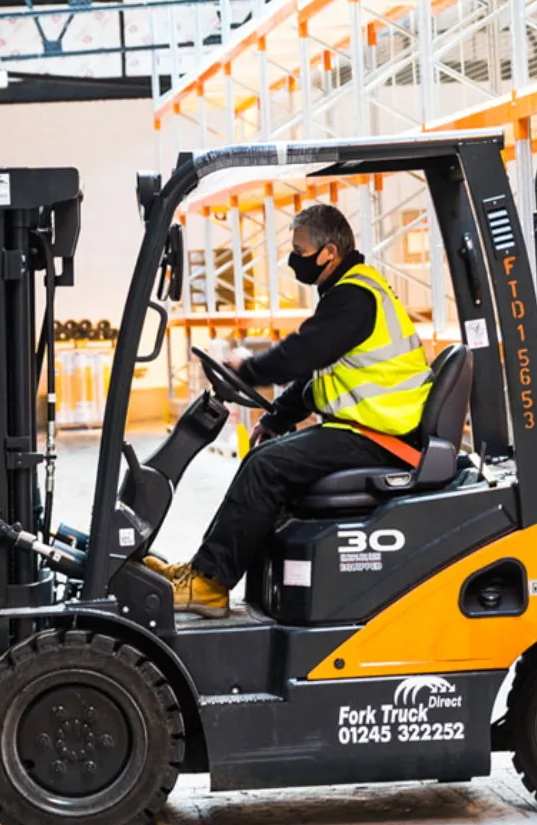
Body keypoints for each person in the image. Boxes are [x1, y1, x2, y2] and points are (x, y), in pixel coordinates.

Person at [147, 203, 433, 618]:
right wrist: (277, 415)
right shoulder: (351, 291)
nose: (293, 258)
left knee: (269, 467)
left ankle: (209, 585)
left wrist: (249, 369)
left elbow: (301, 354)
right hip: (365, 428)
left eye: (300, 250)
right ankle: (204, 571)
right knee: (263, 457)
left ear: (329, 253)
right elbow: (320, 375)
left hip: (382, 437)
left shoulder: (354, 297)